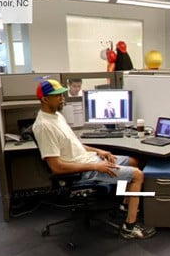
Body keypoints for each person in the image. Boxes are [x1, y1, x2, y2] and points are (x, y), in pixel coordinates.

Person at [32, 79, 156, 239]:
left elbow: (74, 144)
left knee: (133, 161)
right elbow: (57, 167)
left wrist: (99, 151)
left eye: (62, 94)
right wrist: (96, 167)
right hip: (84, 171)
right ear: (45, 99)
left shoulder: (56, 116)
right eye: (58, 96)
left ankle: (124, 207)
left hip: (90, 160)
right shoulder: (44, 126)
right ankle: (129, 227)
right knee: (138, 175)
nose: (63, 98)